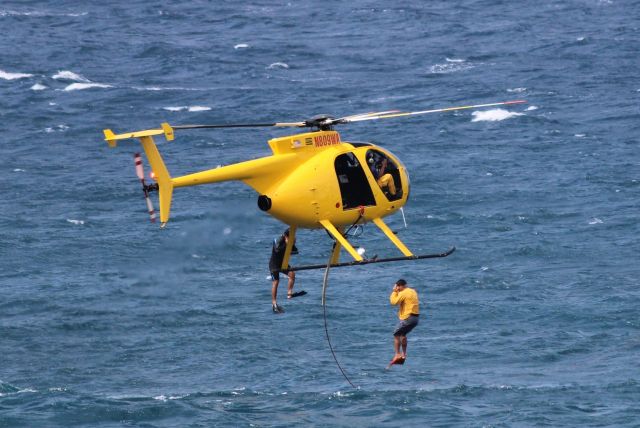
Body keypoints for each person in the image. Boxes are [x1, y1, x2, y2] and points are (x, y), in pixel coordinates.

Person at [269, 228, 306, 313]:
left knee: (292, 274)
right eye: (292, 238)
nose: (294, 239)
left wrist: (293, 244)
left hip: (283, 263)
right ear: (286, 236)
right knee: (276, 282)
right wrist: (286, 243)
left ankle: (289, 293)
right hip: (274, 264)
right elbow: (277, 249)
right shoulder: (278, 240)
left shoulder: (290, 242)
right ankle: (274, 303)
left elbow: (295, 251)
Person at [389, 278, 419, 365]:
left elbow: (393, 302)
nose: (397, 288)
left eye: (397, 287)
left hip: (408, 318)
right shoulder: (412, 291)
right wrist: (398, 291)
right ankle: (404, 354)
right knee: (402, 334)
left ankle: (397, 354)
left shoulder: (403, 292)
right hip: (415, 319)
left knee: (396, 334)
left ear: (400, 286)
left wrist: (394, 291)